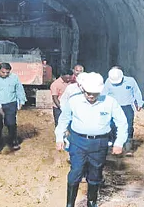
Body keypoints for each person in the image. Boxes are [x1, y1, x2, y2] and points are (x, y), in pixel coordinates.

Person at [55, 72, 128, 207]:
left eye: (94, 93)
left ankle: (91, 202)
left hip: (99, 143)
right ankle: (70, 204)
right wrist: (59, 137)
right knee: (76, 171)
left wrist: (119, 142)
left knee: (96, 172)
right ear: (82, 89)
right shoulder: (74, 101)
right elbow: (63, 120)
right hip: (78, 142)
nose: (91, 96)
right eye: (88, 93)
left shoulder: (110, 102)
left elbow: (122, 122)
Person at [103, 67, 143, 156]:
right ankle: (114, 145)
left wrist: (139, 103)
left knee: (128, 126)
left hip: (127, 107)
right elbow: (103, 94)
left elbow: (136, 92)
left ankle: (128, 147)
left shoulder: (130, 81)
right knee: (112, 125)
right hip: (112, 107)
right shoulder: (108, 82)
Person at [0, 63, 27, 152]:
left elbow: (19, 89)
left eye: (7, 73)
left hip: (10, 103)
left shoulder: (14, 77)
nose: (5, 74)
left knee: (11, 123)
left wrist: (21, 101)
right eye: (3, 72)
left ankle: (13, 141)